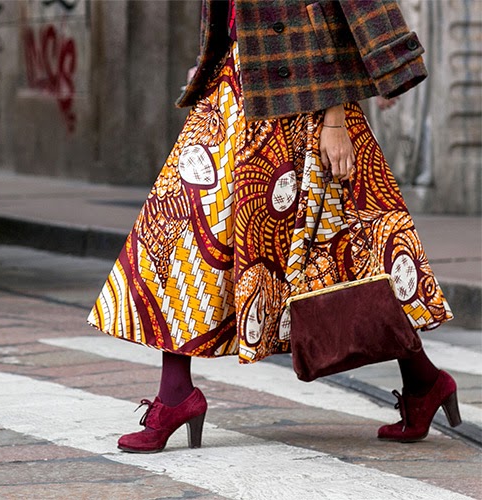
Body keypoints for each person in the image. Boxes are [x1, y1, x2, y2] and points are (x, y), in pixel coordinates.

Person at [88, 0, 460, 453]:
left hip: (306, 99)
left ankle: (424, 380)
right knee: (180, 231)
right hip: (234, 86)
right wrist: (214, 57)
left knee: (349, 254)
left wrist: (336, 116)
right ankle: (175, 394)